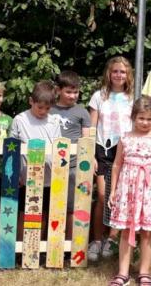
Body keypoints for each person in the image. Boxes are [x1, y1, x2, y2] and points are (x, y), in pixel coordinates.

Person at [107, 96, 151, 286]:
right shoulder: (125, 138)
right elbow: (117, 165)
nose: (145, 122)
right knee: (126, 230)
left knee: (147, 232)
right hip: (127, 190)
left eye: (149, 119)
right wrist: (113, 191)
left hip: (150, 190)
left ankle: (144, 272)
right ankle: (123, 273)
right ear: (133, 117)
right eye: (141, 118)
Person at [87, 57, 134, 261]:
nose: (118, 75)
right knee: (104, 196)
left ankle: (112, 239)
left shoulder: (133, 96)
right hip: (102, 150)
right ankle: (97, 240)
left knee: (120, 197)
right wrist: (90, 152)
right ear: (109, 73)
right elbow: (91, 126)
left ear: (128, 74)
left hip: (125, 149)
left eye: (122, 72)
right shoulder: (99, 96)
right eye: (115, 71)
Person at [9, 80, 61, 236]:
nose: (43, 111)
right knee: (24, 212)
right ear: (31, 101)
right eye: (40, 107)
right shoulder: (20, 119)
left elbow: (59, 148)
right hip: (26, 176)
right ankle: (19, 246)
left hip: (49, 177)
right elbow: (12, 148)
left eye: (47, 108)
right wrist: (16, 173)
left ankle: (37, 247)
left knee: (43, 212)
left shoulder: (54, 121)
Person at [50, 71, 91, 235]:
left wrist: (90, 158)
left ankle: (69, 242)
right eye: (68, 91)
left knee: (73, 205)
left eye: (75, 92)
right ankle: (54, 240)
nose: (73, 96)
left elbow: (86, 140)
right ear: (58, 90)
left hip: (74, 164)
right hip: (52, 164)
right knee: (54, 204)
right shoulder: (49, 109)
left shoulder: (82, 112)